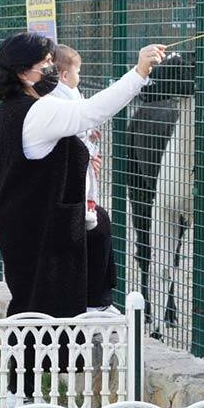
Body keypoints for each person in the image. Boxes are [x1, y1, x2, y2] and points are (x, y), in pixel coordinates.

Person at [0, 31, 164, 402]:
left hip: (17, 222)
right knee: (33, 308)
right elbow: (90, 111)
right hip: (36, 226)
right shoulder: (38, 111)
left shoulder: (8, 113)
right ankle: (19, 395)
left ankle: (21, 391)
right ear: (22, 72)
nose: (52, 68)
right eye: (45, 63)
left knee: (30, 303)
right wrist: (138, 72)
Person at [50, 44, 116, 312]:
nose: (80, 75)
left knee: (100, 226)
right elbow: (70, 138)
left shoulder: (73, 95)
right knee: (95, 228)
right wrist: (86, 156)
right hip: (69, 186)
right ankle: (92, 301)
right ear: (64, 74)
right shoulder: (60, 99)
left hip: (83, 177)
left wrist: (91, 137)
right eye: (77, 70)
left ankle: (99, 298)